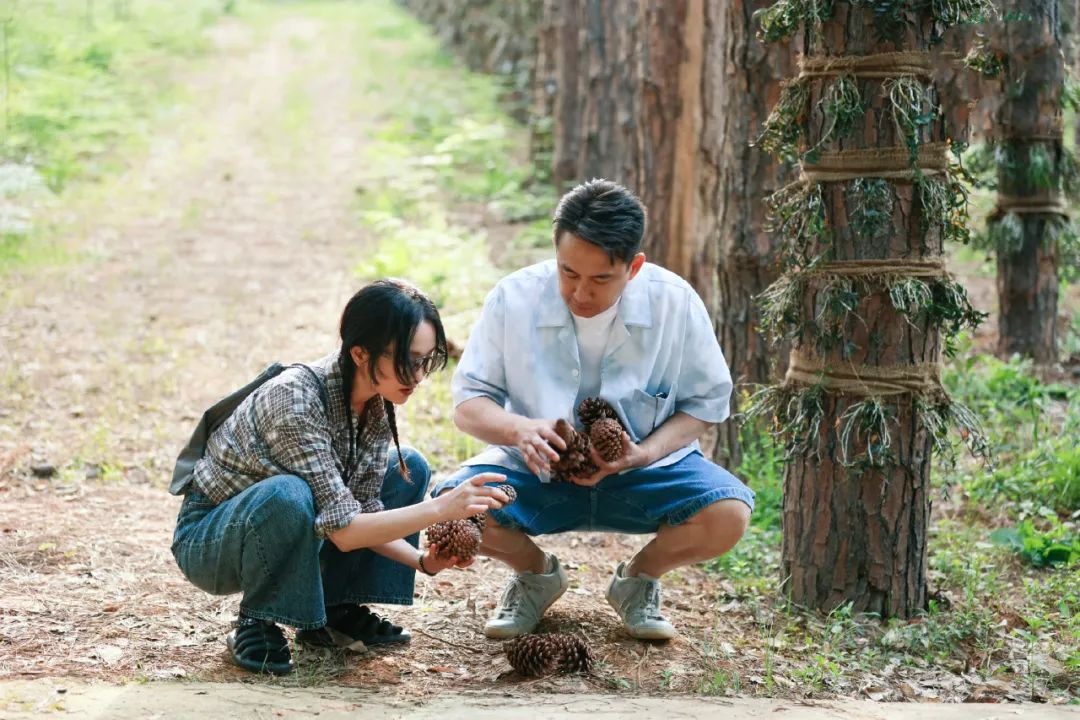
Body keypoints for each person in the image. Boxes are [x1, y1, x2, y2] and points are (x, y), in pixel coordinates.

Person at [432, 179, 755, 641]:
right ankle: (535, 576)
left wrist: (643, 454)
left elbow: (706, 404)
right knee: (450, 511)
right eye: (568, 273)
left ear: (634, 266)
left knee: (728, 514)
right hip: (532, 471)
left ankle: (638, 580)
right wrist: (521, 429)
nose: (581, 294)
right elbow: (468, 404)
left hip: (645, 474)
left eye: (601, 279)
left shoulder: (675, 301)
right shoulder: (513, 297)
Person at [169, 279, 510, 675]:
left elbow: (362, 512)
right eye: (406, 360)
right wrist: (439, 508)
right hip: (212, 541)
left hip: (290, 528)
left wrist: (424, 561)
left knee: (407, 466)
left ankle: (335, 609)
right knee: (287, 493)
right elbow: (345, 530)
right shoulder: (295, 400)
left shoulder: (375, 402)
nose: (417, 376)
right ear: (360, 353)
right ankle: (256, 620)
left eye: (425, 360)